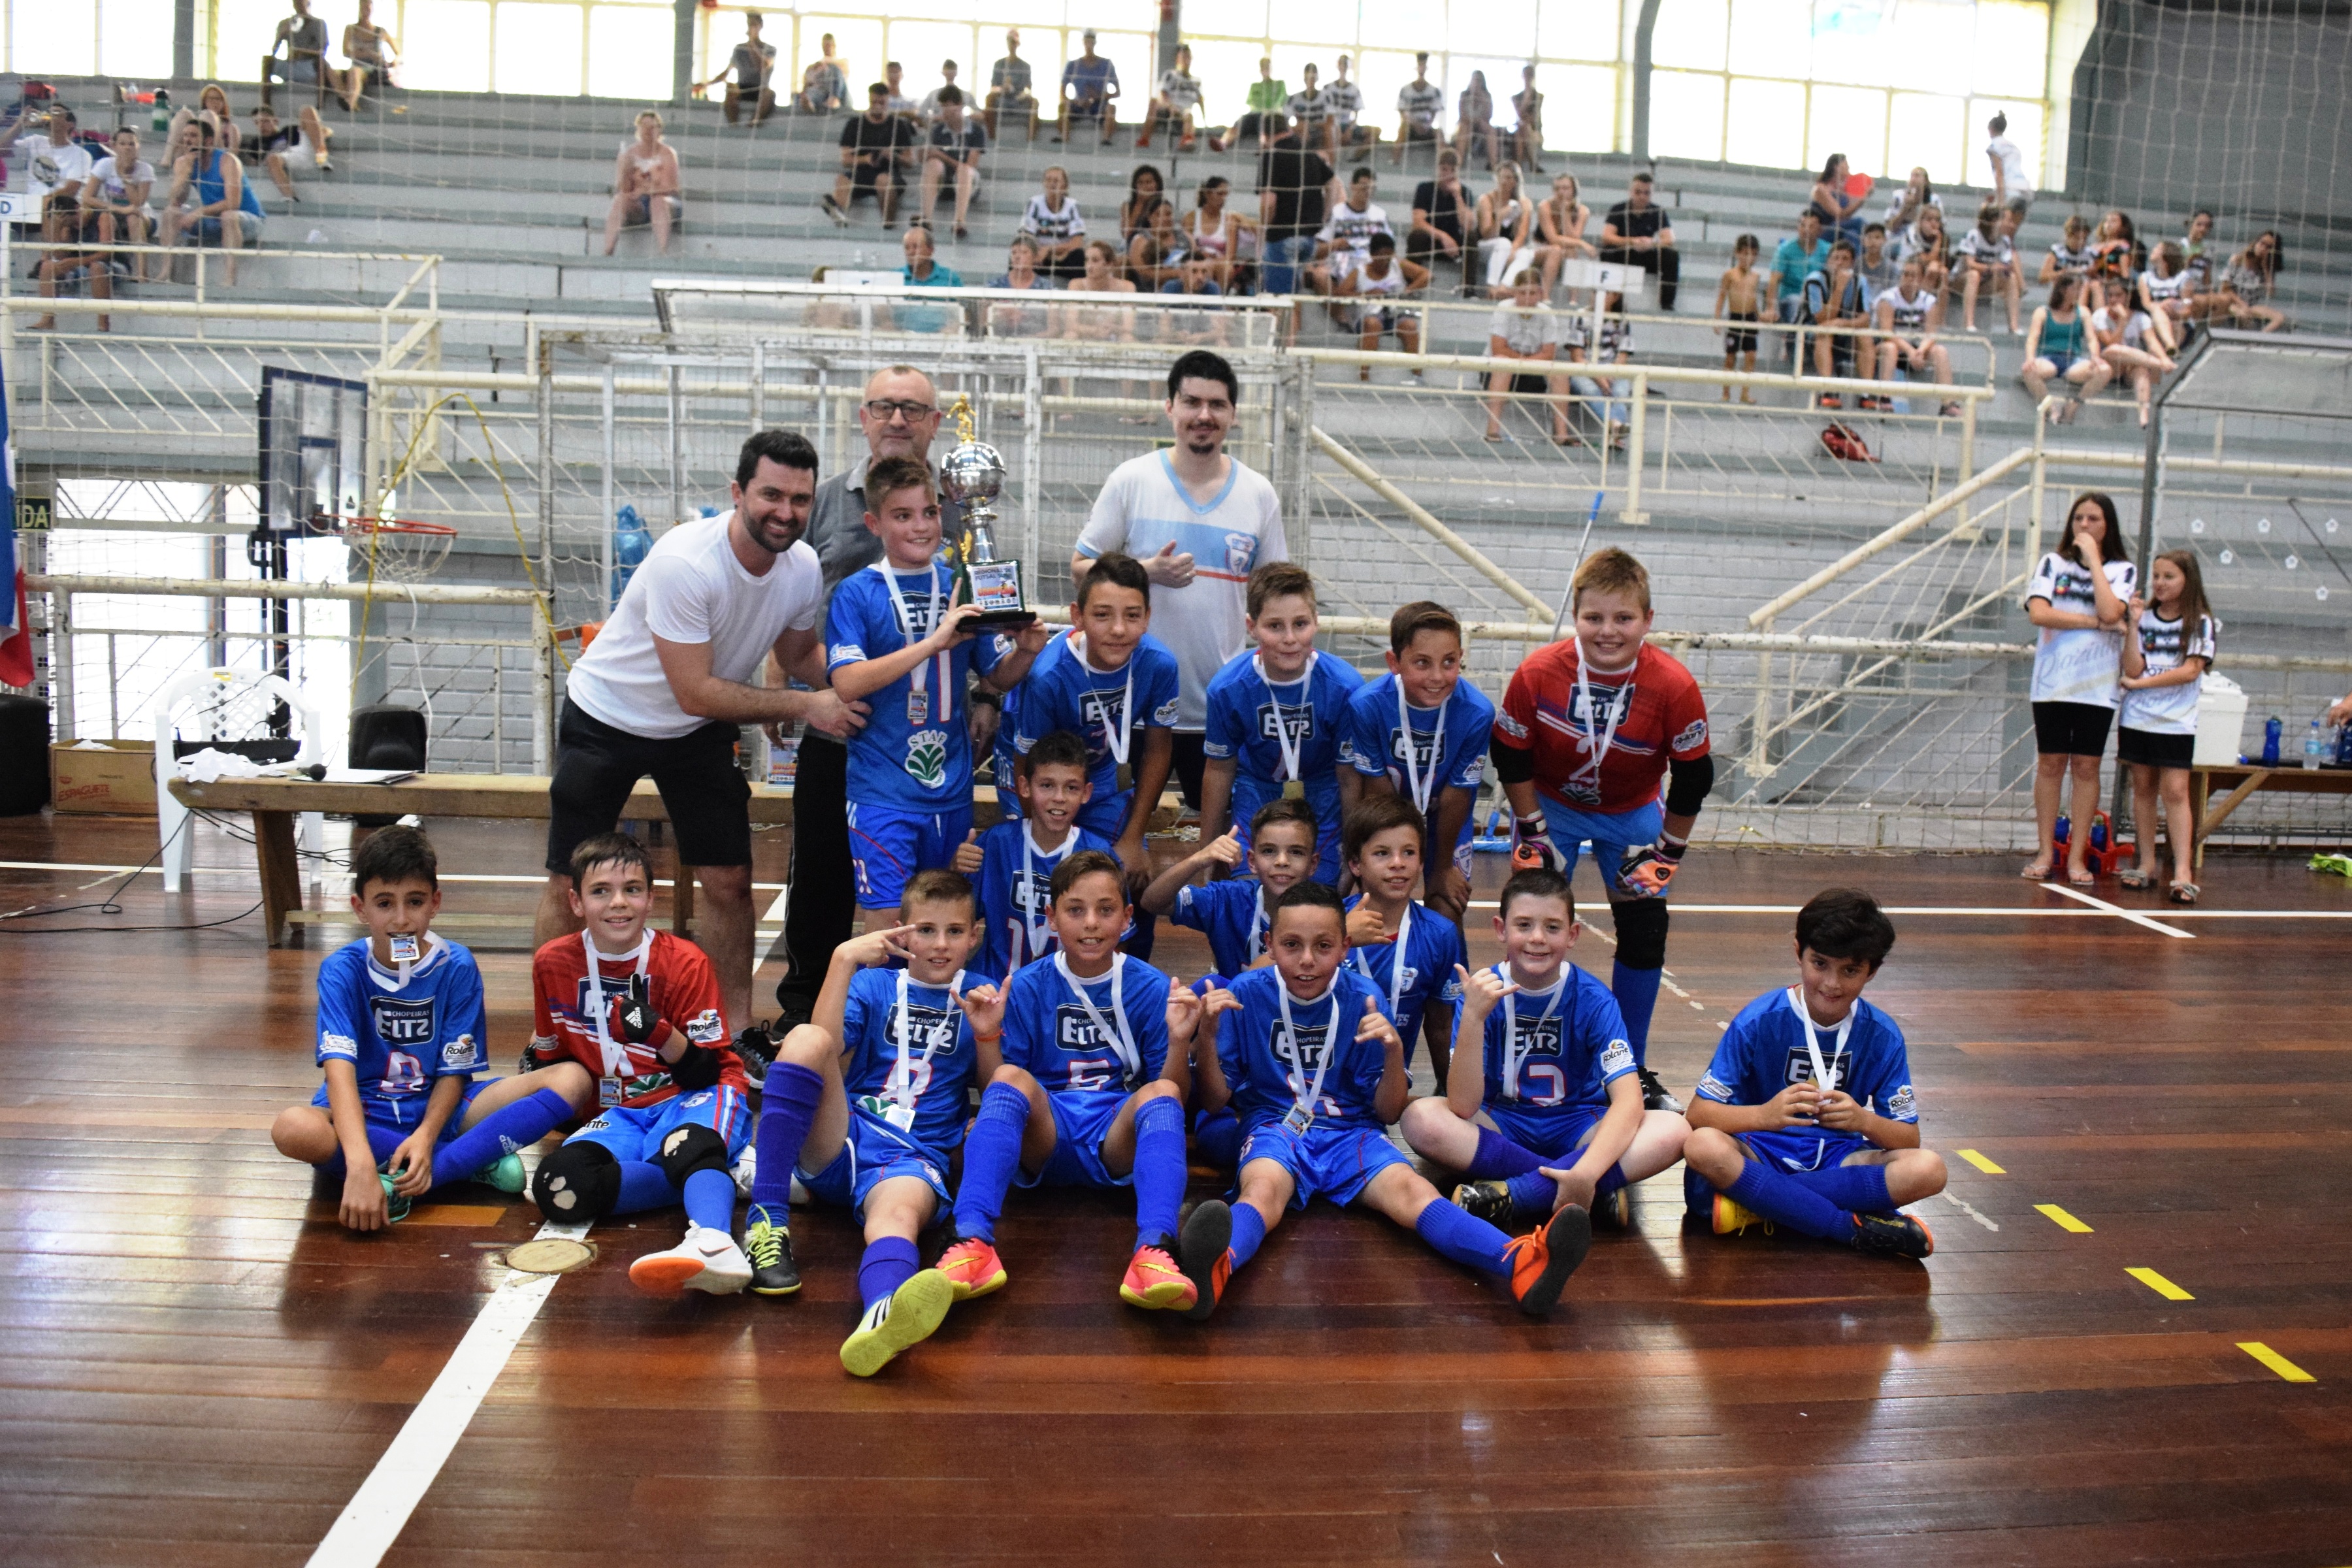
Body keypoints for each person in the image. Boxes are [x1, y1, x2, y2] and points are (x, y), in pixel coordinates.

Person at [540, 431, 851, 1056]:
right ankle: (548, 1036)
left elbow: (798, 656)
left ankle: (728, 1035)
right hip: (609, 715)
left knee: (731, 881)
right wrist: (805, 703)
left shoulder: (803, 567)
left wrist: (877, 684)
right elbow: (697, 692)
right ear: (737, 493)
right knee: (566, 883)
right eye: (770, 494)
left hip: (692, 733)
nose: (784, 512)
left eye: (799, 499)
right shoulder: (685, 561)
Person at [1186, 881, 1593, 1321]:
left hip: (1352, 1132)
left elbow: (1388, 1112)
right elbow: (1214, 1101)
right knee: (1262, 1192)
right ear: (1269, 944)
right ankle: (1213, 1266)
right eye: (1291, 945)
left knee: (1413, 1193)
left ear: (1345, 946)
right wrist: (1205, 1040)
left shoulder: (1364, 996)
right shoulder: (1247, 992)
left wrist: (1395, 1051)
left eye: (1323, 946)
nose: (1307, 960)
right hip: (1275, 1126)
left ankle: (1522, 1262)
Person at [934, 849, 1218, 1311]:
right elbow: (998, 1091)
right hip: (1049, 1130)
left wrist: (1179, 1041)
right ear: (1051, 917)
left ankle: (1156, 1250)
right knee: (1009, 1074)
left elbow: (1174, 1098)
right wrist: (987, 1036)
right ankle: (971, 1240)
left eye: (1106, 910)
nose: (1091, 923)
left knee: (1163, 1091)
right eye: (1075, 910)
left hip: (1113, 1133)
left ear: (1128, 918)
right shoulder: (1027, 984)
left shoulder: (1148, 986)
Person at [269, 828, 584, 1233]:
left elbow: (456, 1073)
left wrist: (426, 1135)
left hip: (442, 1105)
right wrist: (361, 1166)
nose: (401, 919)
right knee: (292, 1128)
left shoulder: (457, 965)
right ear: (360, 907)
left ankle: (430, 1171)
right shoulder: (341, 970)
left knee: (572, 1079)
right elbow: (338, 1072)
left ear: (434, 903)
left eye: (414, 902)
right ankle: (467, 1162)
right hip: (365, 1110)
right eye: (385, 903)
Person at [739, 877, 994, 1375]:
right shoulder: (877, 984)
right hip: (846, 1135)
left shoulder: (980, 995)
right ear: (902, 933)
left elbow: (992, 1087)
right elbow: (824, 1047)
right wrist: (843, 960)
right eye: (926, 930)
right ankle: (767, 1223)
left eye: (954, 931)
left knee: (896, 1221)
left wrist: (988, 1033)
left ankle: (881, 1316)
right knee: (806, 1038)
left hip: (911, 1159)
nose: (940, 944)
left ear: (975, 936)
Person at [774, 369, 962, 1039]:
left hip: (927, 738)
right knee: (823, 875)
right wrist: (796, 691)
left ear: (935, 422)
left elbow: (974, 621)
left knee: (935, 890)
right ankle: (805, 1012)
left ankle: (931, 1022)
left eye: (913, 408)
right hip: (839, 721)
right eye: (885, 406)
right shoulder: (823, 502)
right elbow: (792, 602)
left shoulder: (963, 505)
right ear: (863, 416)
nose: (898, 419)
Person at [1494, 547, 1712, 1111]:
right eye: (1594, 618)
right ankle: (1519, 1051)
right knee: (1531, 924)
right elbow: (1510, 754)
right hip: (1549, 807)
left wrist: (1669, 851)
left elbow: (1694, 777)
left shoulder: (1674, 685)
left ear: (1648, 620)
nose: (1608, 632)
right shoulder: (1539, 672)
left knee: (1644, 930)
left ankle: (1629, 1066)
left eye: (1624, 619)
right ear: (1575, 617)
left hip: (1634, 810)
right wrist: (1533, 829)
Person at [523, 834, 753, 1294]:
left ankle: (716, 1243)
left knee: (688, 1143)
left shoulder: (685, 961)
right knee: (555, 1185)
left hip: (692, 1092)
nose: (618, 903)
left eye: (631, 889)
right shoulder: (552, 962)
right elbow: (551, 1060)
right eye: (601, 891)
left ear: (651, 898)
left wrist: (659, 1033)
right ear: (575, 901)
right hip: (622, 1112)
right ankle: (717, 1171)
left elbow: (706, 1071)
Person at [1403, 866, 1689, 1231]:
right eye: (1523, 925)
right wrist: (1474, 1018)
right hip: (1502, 1121)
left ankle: (1520, 1194)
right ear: (1500, 929)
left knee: (1674, 1130)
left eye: (1552, 927)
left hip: (1578, 1124)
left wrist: (1586, 1166)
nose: (1537, 938)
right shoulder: (1480, 993)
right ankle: (1586, 1189)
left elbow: (1630, 1100)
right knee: (1419, 1119)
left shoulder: (1594, 999)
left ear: (1572, 935)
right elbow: (1462, 1105)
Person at [826, 458, 1046, 921]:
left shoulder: (961, 585)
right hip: (882, 790)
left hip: (951, 791)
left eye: (928, 512)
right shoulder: (856, 592)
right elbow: (847, 683)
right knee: (888, 928)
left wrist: (1025, 652)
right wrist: (933, 643)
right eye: (902, 516)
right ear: (875, 523)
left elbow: (996, 675)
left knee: (943, 925)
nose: (921, 526)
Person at [1073, 351, 1288, 808]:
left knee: (1222, 843)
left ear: (1233, 414)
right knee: (1114, 837)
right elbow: (1079, 569)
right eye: (1191, 402)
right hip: (1131, 704)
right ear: (1170, 407)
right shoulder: (1131, 480)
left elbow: (1277, 596)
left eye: (1216, 405)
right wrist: (1144, 574)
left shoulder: (1258, 494)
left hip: (1218, 707)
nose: (1203, 415)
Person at [1682, 889, 1942, 1258]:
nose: (1832, 984)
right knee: (1702, 1145)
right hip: (1758, 1150)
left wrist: (1863, 1120)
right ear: (1798, 953)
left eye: (1850, 970)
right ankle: (1843, 1227)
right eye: (1820, 964)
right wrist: (1763, 1116)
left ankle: (1760, 1205)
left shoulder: (1882, 1035)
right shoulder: (1759, 1020)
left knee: (1929, 1169)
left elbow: (1908, 1138)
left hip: (1837, 1158)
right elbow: (1698, 1114)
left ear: (1873, 970)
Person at [996, 550, 1181, 880]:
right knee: (1044, 875)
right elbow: (1027, 760)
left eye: (1133, 615)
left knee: (1127, 876)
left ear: (1148, 617)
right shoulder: (1049, 676)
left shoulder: (1159, 665)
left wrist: (1133, 837)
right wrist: (1045, 838)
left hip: (1102, 772)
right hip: (1035, 771)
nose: (1119, 629)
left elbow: (1158, 748)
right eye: (1103, 615)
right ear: (1077, 616)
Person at [1340, 602, 1492, 923]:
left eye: (1449, 662)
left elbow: (1457, 795)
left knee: (1447, 902)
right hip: (1387, 811)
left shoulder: (1478, 712)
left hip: (1446, 817)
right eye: (1422, 663)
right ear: (1394, 662)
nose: (1437, 677)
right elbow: (1377, 791)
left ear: (1461, 658)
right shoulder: (1366, 705)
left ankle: (1450, 972)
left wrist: (1439, 869)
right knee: (1378, 902)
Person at [2021, 492, 2135, 884]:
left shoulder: (2122, 570)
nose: (2085, 527)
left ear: (2108, 527)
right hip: (2053, 682)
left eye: (2094, 520)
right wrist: (2096, 625)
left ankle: (2078, 856)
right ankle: (2045, 850)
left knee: (2086, 766)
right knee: (2051, 762)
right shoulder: (2052, 564)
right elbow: (2039, 612)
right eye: (2079, 520)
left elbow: (2110, 610)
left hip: (2097, 685)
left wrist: (2095, 562)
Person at [959, 730, 1123, 979]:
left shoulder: (1099, 855)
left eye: (1071, 788)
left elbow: (1116, 939)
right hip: (992, 987)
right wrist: (953, 871)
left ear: (1086, 793)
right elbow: (955, 917)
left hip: (1063, 995)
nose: (1059, 798)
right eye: (1047, 786)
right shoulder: (996, 843)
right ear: (1024, 786)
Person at [1337, 794, 1468, 1087]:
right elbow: (1268, 977)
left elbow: (1441, 1024)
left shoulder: (1440, 934)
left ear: (1422, 862)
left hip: (1388, 1086)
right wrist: (1336, 938)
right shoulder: (1329, 921)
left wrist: (1448, 1092)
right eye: (1382, 853)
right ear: (1356, 864)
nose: (1398, 864)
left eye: (1408, 853)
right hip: (1319, 1077)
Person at [2117, 551, 2217, 905]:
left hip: (2176, 722)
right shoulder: (2144, 619)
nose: (2160, 583)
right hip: (2137, 718)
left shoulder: (2201, 622)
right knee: (2143, 788)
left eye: (2169, 576)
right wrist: (2132, 625)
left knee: (2175, 791)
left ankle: (2183, 872)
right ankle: (2145, 864)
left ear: (2187, 581)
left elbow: (2191, 671)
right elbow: (2133, 666)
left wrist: (2140, 685)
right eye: (2157, 576)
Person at [1144, 795, 1322, 977]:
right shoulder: (1228, 899)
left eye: (1296, 852)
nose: (1282, 861)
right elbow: (1152, 902)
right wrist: (1197, 860)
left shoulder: (1329, 911)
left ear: (1313, 863)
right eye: (1269, 851)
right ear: (1252, 861)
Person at [161, 118, 265, 286]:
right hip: (214, 221)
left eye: (194, 136)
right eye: (186, 135)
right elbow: (176, 201)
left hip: (248, 220)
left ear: (209, 140)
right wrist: (183, 176)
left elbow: (233, 203)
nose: (188, 140)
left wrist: (199, 212)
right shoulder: (183, 162)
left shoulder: (228, 161)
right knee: (170, 213)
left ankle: (230, 280)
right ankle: (167, 273)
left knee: (229, 216)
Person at [1254, 112, 1337, 300]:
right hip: (1308, 239)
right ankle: (1290, 329)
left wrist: (1265, 229)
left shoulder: (1271, 157)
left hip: (1283, 237)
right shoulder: (1308, 154)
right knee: (1292, 299)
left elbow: (1269, 202)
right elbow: (1332, 182)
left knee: (1278, 300)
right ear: (1288, 129)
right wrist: (1324, 216)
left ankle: (1283, 331)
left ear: (1265, 134)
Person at [1482, 270, 1568, 445]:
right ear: (1514, 293)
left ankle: (1561, 435)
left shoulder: (1547, 315)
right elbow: (1498, 348)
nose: (1527, 298)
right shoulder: (1504, 309)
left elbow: (1549, 354)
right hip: (1499, 372)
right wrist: (1523, 361)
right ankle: (1492, 432)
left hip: (1532, 371)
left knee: (1560, 371)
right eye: (1522, 293)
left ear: (1541, 294)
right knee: (1502, 363)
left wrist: (1525, 363)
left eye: (1532, 293)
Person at [1873, 255, 1959, 418]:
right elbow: (1886, 332)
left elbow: (1931, 334)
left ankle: (1948, 402)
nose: (1908, 279)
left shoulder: (1929, 301)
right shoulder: (1888, 298)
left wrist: (1920, 351)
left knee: (1940, 351)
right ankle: (1884, 397)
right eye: (1905, 274)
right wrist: (1910, 351)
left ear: (1921, 279)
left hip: (1915, 348)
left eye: (1913, 275)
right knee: (1890, 348)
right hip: (1890, 347)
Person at [2021, 275, 2112, 419]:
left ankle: (2073, 406)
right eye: (2075, 288)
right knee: (2028, 371)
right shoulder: (2043, 312)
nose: (2079, 292)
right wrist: (2030, 358)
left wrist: (2095, 356)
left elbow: (2091, 338)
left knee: (2105, 370)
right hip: (2048, 359)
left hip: (2073, 361)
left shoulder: (2083, 312)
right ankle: (2050, 408)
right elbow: (2033, 338)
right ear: (2063, 289)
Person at [1332, 232, 1427, 368]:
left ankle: (1417, 376)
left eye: (1389, 257)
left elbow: (1425, 275)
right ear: (1372, 255)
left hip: (1394, 315)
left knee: (1410, 326)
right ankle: (1364, 375)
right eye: (1382, 257)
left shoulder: (1398, 265)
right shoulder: (1360, 272)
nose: (1386, 262)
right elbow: (1339, 293)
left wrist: (1407, 291)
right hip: (1368, 316)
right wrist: (1368, 294)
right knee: (1373, 324)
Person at [825, 84, 912, 229]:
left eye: (881, 102)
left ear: (888, 101)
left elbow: (910, 161)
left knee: (883, 180)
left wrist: (893, 156)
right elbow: (845, 159)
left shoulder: (898, 125)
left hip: (888, 172)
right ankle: (838, 211)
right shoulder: (854, 124)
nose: (877, 106)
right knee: (842, 179)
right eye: (874, 102)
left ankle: (888, 225)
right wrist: (865, 159)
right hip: (862, 172)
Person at [2086, 284, 2174, 427]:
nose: (2113, 299)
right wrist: (2122, 321)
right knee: (2114, 349)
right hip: (2109, 366)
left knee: (2142, 372)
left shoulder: (2141, 317)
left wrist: (2164, 357)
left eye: (2118, 295)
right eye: (2111, 295)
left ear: (2128, 296)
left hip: (2130, 367)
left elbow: (2151, 341)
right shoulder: (2100, 315)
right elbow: (2110, 343)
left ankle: (2144, 415)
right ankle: (2160, 365)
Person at [1305, 164, 1392, 308]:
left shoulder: (1380, 216)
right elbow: (1318, 248)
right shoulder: (1338, 213)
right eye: (1364, 187)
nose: (1368, 192)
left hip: (1369, 267)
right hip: (1340, 266)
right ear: (1352, 186)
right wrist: (1335, 244)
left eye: (1372, 188)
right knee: (1320, 276)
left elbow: (1390, 248)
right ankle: (1343, 319)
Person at [908, 86, 985, 240]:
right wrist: (925, 155)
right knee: (933, 164)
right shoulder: (938, 131)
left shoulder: (976, 131)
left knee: (964, 171)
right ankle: (927, 218)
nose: (946, 112)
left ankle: (959, 221)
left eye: (950, 107)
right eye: (944, 107)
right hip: (944, 182)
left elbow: (970, 165)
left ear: (961, 106)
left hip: (967, 184)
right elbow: (930, 158)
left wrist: (941, 156)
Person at [28, 191, 110, 333]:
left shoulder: (102, 217)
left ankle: (103, 322)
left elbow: (106, 253)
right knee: (47, 266)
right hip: (80, 264)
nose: (66, 222)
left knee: (96, 267)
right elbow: (61, 255)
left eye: (65, 218)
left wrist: (76, 261)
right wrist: (57, 229)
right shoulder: (67, 226)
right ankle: (48, 319)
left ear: (77, 210)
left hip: (110, 264)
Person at [80, 127, 155, 283]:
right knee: (101, 216)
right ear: (114, 146)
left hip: (142, 216)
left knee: (133, 218)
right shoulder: (105, 164)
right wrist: (119, 209)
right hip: (115, 213)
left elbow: (138, 203)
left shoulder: (145, 169)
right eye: (122, 144)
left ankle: (142, 273)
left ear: (138, 147)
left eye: (132, 144)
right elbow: (87, 197)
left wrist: (125, 177)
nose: (128, 148)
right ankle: (98, 265)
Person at [1803, 238, 1871, 406]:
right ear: (1828, 261)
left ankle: (1868, 393)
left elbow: (1866, 318)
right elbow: (1821, 318)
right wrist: (1839, 289)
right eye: (1836, 258)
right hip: (1810, 334)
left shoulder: (1859, 281)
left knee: (1865, 336)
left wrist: (1843, 323)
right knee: (1825, 333)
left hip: (1843, 330)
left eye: (1845, 259)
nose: (1840, 263)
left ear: (1853, 262)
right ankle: (1828, 390)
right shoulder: (1815, 280)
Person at [1563, 291, 1635, 446]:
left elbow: (1623, 356)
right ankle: (1616, 427)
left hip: (1613, 370)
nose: (1598, 296)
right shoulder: (1580, 316)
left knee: (1621, 392)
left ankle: (1614, 431)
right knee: (1591, 390)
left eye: (1605, 293)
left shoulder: (1622, 320)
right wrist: (1598, 377)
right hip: (1584, 370)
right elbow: (1577, 357)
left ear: (1616, 297)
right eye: (1595, 292)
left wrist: (1611, 374)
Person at [2, 106, 95, 225]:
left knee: (52, 209)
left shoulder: (81, 154)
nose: (50, 115)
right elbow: (2, 150)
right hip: (30, 207)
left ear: (70, 124)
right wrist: (20, 125)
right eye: (49, 112)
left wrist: (41, 203)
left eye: (56, 113)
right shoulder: (35, 141)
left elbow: (70, 190)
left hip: (62, 206)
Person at [603, 110, 679, 255]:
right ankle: (609, 248)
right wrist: (626, 169)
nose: (648, 131)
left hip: (664, 201)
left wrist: (645, 191)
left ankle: (663, 251)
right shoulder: (629, 154)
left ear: (659, 130)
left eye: (652, 127)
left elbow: (671, 187)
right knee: (620, 199)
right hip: (639, 203)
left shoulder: (667, 153)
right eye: (644, 127)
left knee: (658, 202)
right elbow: (623, 188)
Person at [1601, 170, 1678, 310]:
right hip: (1626, 252)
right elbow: (1607, 237)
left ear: (1651, 194)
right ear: (1631, 191)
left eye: (1647, 193)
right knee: (1607, 252)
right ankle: (1613, 301)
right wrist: (1633, 241)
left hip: (1647, 254)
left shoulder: (1657, 211)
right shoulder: (1618, 209)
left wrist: (1652, 243)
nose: (1642, 196)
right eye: (1638, 192)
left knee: (1671, 255)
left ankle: (1667, 303)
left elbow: (1670, 239)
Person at [1408, 147, 1471, 296]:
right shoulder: (1425, 189)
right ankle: (1412, 284)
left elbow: (1468, 226)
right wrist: (1443, 236)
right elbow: (1418, 222)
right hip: (1431, 240)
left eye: (1452, 170)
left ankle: (1469, 289)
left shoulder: (1465, 192)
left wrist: (1458, 197)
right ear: (1437, 169)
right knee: (1416, 236)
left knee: (1473, 238)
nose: (1448, 174)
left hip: (1455, 246)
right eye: (1444, 169)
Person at [1955, 199, 2021, 335]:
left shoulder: (2004, 241)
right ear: (1993, 222)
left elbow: (2005, 265)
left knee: (2012, 279)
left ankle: (2013, 327)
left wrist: (2005, 268)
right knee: (1974, 275)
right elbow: (1969, 264)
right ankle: (1969, 324)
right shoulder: (1974, 235)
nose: (2011, 225)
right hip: (1960, 280)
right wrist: (1991, 268)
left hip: (1985, 282)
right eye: (2007, 220)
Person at [698, 11, 777, 126]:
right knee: (731, 87)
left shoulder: (770, 49)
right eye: (749, 24)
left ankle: (754, 123)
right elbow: (726, 72)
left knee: (770, 94)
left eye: (754, 25)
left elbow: (763, 66)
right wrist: (706, 84)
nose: (750, 28)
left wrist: (752, 45)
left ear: (760, 26)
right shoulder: (739, 49)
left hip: (761, 88)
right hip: (743, 87)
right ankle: (734, 125)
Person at [1713, 233, 1765, 399]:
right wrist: (1717, 318)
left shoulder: (1756, 276)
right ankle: (1726, 393)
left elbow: (1753, 299)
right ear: (1737, 253)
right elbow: (1722, 297)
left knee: (1751, 356)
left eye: (1753, 254)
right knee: (1731, 357)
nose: (1749, 258)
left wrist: (1760, 315)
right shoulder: (1730, 275)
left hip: (1750, 319)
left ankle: (1745, 392)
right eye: (1745, 253)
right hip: (1735, 319)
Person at [1473, 160, 1537, 296]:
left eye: (1508, 178)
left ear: (1516, 181)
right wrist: (1500, 217)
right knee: (1503, 243)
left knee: (1527, 254)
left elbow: (1522, 233)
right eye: (1501, 177)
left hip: (1509, 248)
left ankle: (1504, 287)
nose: (1504, 182)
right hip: (1487, 245)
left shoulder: (1524, 203)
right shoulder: (1486, 200)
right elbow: (1486, 233)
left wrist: (1513, 251)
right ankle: (1492, 286)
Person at [240, 105, 325, 204]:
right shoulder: (256, 143)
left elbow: (321, 131)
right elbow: (254, 165)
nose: (261, 125)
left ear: (276, 121)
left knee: (307, 114)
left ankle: (323, 158)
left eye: (266, 121)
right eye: (257, 122)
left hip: (298, 156)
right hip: (278, 163)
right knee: (272, 159)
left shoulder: (289, 131)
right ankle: (290, 197)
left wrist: (324, 134)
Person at [1181, 174, 1251, 294]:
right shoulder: (1191, 218)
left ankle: (1218, 300)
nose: (1223, 199)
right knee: (1200, 267)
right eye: (1220, 194)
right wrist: (1202, 256)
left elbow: (1231, 256)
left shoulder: (1230, 220)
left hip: (1220, 261)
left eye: (1225, 195)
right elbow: (1184, 246)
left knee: (1226, 269)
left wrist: (1213, 262)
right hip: (1196, 260)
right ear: (1208, 194)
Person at [1018, 163, 1088, 282]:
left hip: (1063, 258)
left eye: (1056, 180)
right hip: (1039, 256)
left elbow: (1077, 243)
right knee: (1019, 254)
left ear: (1065, 186)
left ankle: (1078, 293)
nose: (1052, 184)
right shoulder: (1034, 203)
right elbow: (1026, 237)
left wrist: (1049, 249)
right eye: (1048, 180)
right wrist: (1038, 252)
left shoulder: (1072, 206)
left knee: (1079, 256)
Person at [1769, 208, 1827, 348]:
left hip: (1818, 300)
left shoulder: (1828, 251)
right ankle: (1792, 340)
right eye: (1802, 225)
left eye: (1811, 226)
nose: (1806, 230)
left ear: (1820, 229)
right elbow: (1774, 280)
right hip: (1791, 299)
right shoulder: (1785, 250)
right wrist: (1771, 308)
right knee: (1797, 302)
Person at [1054, 29, 1120, 146]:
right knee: (1063, 107)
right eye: (1086, 42)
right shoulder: (1073, 65)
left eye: (1091, 42)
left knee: (1111, 108)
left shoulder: (1106, 64)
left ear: (1095, 43)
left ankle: (1106, 139)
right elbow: (1062, 92)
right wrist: (1076, 101)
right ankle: (1064, 137)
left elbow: (1117, 92)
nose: (1089, 45)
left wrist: (1098, 97)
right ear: (1083, 43)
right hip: (1078, 104)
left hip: (1099, 105)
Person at [261, 0, 328, 110]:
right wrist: (281, 35)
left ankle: (320, 104)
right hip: (290, 66)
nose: (299, 6)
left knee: (321, 62)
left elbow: (323, 49)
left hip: (308, 67)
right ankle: (266, 104)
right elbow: (274, 51)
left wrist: (301, 52)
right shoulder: (285, 23)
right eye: (297, 3)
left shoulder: (319, 24)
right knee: (267, 61)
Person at [1211, 57, 1288, 154]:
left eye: (1267, 66)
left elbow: (1281, 101)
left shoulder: (1280, 84)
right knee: (1240, 121)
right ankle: (1223, 142)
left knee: (1264, 122)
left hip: (1271, 117)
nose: (1265, 69)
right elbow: (1252, 103)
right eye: (1263, 66)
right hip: (1254, 115)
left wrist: (1268, 111)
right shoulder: (1255, 86)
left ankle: (1264, 145)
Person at [1534, 171, 1593, 295]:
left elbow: (1574, 237)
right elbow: (1553, 239)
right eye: (1557, 189)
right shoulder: (1545, 206)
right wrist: (1582, 243)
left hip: (1565, 249)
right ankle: (1545, 295)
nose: (1561, 192)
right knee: (1556, 249)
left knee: (1571, 251)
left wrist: (1565, 213)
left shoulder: (1582, 210)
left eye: (1565, 188)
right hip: (1540, 247)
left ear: (1574, 190)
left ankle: (1573, 299)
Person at [2215, 230, 2285, 332]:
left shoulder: (2266, 269)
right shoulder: (2238, 260)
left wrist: (2265, 267)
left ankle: (2259, 338)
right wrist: (2242, 304)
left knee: (2279, 318)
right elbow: (2225, 288)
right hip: (2232, 302)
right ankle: (2244, 341)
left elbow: (2270, 293)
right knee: (2243, 315)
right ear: (2256, 242)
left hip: (2252, 304)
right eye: (2262, 243)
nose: (2263, 248)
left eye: (2268, 247)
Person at [1137, 43, 1202, 152]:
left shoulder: (1196, 81)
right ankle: (1144, 139)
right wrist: (1170, 106)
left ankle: (1187, 140)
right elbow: (1162, 95)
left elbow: (1201, 101)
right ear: (1177, 59)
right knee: (1153, 102)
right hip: (1168, 109)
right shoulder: (1170, 75)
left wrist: (1205, 123)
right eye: (1183, 57)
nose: (1186, 60)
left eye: (1188, 56)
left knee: (1188, 114)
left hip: (1184, 113)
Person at [336, 0, 399, 111]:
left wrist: (393, 61)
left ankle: (350, 102)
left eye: (368, 8)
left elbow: (397, 53)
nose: (366, 11)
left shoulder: (380, 31)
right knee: (352, 72)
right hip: (357, 66)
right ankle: (352, 103)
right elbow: (345, 52)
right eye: (364, 7)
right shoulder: (351, 29)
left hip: (376, 70)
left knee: (355, 72)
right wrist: (366, 53)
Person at [2136, 239, 2192, 355]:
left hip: (2178, 319)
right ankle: (2171, 346)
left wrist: (2173, 312)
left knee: (2175, 326)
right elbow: (2146, 304)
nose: (2153, 250)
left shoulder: (2183, 278)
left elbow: (2187, 310)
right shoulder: (2145, 277)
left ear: (2165, 255)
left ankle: (2170, 351)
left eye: (2157, 249)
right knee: (2157, 311)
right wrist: (2162, 306)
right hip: (2153, 318)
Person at [1392, 52, 1445, 165]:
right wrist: (1415, 124)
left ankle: (1443, 164)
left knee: (1439, 134)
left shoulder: (1434, 91)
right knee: (1402, 129)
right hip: (1411, 127)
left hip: (1426, 128)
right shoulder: (1405, 90)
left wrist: (1426, 126)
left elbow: (1434, 113)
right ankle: (1395, 161)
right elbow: (1403, 114)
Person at [1807, 152, 1866, 251]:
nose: (1848, 168)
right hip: (1825, 230)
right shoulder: (1821, 189)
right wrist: (1863, 198)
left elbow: (1848, 217)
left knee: (1852, 234)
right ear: (1836, 167)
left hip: (1839, 229)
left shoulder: (1843, 191)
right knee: (1860, 222)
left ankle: (1858, 263)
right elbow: (1839, 214)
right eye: (1846, 165)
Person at [984, 29, 1034, 140]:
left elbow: (1028, 89)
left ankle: (1031, 139)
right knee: (989, 99)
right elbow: (993, 87)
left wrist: (1023, 95)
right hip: (1002, 99)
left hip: (1019, 100)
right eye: (1010, 42)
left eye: (1014, 42)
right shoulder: (999, 64)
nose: (1012, 45)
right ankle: (991, 137)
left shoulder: (1025, 66)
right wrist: (1003, 89)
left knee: (1034, 103)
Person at [1897, 202, 1952, 297]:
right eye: (1929, 219)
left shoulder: (1944, 237)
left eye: (1937, 220)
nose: (1933, 223)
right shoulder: (1913, 233)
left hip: (1930, 270)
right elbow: (1925, 260)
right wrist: (1938, 240)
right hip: (1907, 265)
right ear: (1920, 221)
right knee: (1929, 268)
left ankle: (1936, 308)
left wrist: (1939, 239)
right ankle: (1919, 304)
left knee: (1943, 273)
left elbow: (1944, 262)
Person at [1985, 111, 2033, 214]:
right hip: (2024, 187)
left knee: (2001, 221)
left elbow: (1999, 173)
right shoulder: (2013, 147)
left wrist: (2000, 201)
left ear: (1991, 130)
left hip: (2010, 189)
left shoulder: (1994, 147)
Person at [1324, 56, 1369, 155]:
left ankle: (1355, 157)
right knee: (1328, 130)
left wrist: (1349, 130)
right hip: (1331, 125)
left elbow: (1356, 116)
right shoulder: (1328, 88)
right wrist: (1336, 128)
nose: (1343, 67)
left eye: (1345, 64)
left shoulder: (1354, 90)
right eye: (1341, 64)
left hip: (1347, 126)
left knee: (1375, 132)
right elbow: (1325, 114)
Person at [2040, 212, 2093, 292]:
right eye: (2077, 238)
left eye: (2085, 239)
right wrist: (2064, 273)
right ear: (2068, 236)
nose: (2081, 242)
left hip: (2083, 292)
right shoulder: (2057, 251)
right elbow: (2043, 277)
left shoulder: (2090, 254)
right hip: (2060, 291)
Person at [1286, 62, 1330, 155]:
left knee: (1331, 131)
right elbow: (1285, 121)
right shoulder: (1294, 98)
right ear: (1304, 79)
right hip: (1301, 132)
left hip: (1319, 131)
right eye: (1308, 78)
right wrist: (1299, 127)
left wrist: (1309, 125)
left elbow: (1330, 121)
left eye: (1313, 78)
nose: (1311, 81)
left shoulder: (1326, 97)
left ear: (1317, 78)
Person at [1509, 65, 1546, 173]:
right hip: (1521, 132)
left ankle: (1519, 166)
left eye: (1530, 75)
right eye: (1526, 75)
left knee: (1525, 129)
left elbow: (1533, 118)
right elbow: (1520, 114)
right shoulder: (1516, 97)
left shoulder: (1539, 97)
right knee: (1522, 131)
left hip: (1534, 133)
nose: (1528, 78)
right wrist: (1527, 100)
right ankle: (1531, 165)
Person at [1119, 163, 1166, 247]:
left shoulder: (1163, 205)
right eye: (1140, 183)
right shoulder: (1128, 206)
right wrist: (1139, 205)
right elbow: (1126, 234)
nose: (1144, 186)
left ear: (1157, 184)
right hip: (1132, 245)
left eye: (1149, 182)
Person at [1881, 166, 1937, 233]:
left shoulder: (1934, 199)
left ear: (1925, 181)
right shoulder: (1898, 196)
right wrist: (1907, 207)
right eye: (1912, 176)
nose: (1913, 179)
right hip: (1899, 235)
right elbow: (1890, 226)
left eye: (1917, 176)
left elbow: (1937, 226)